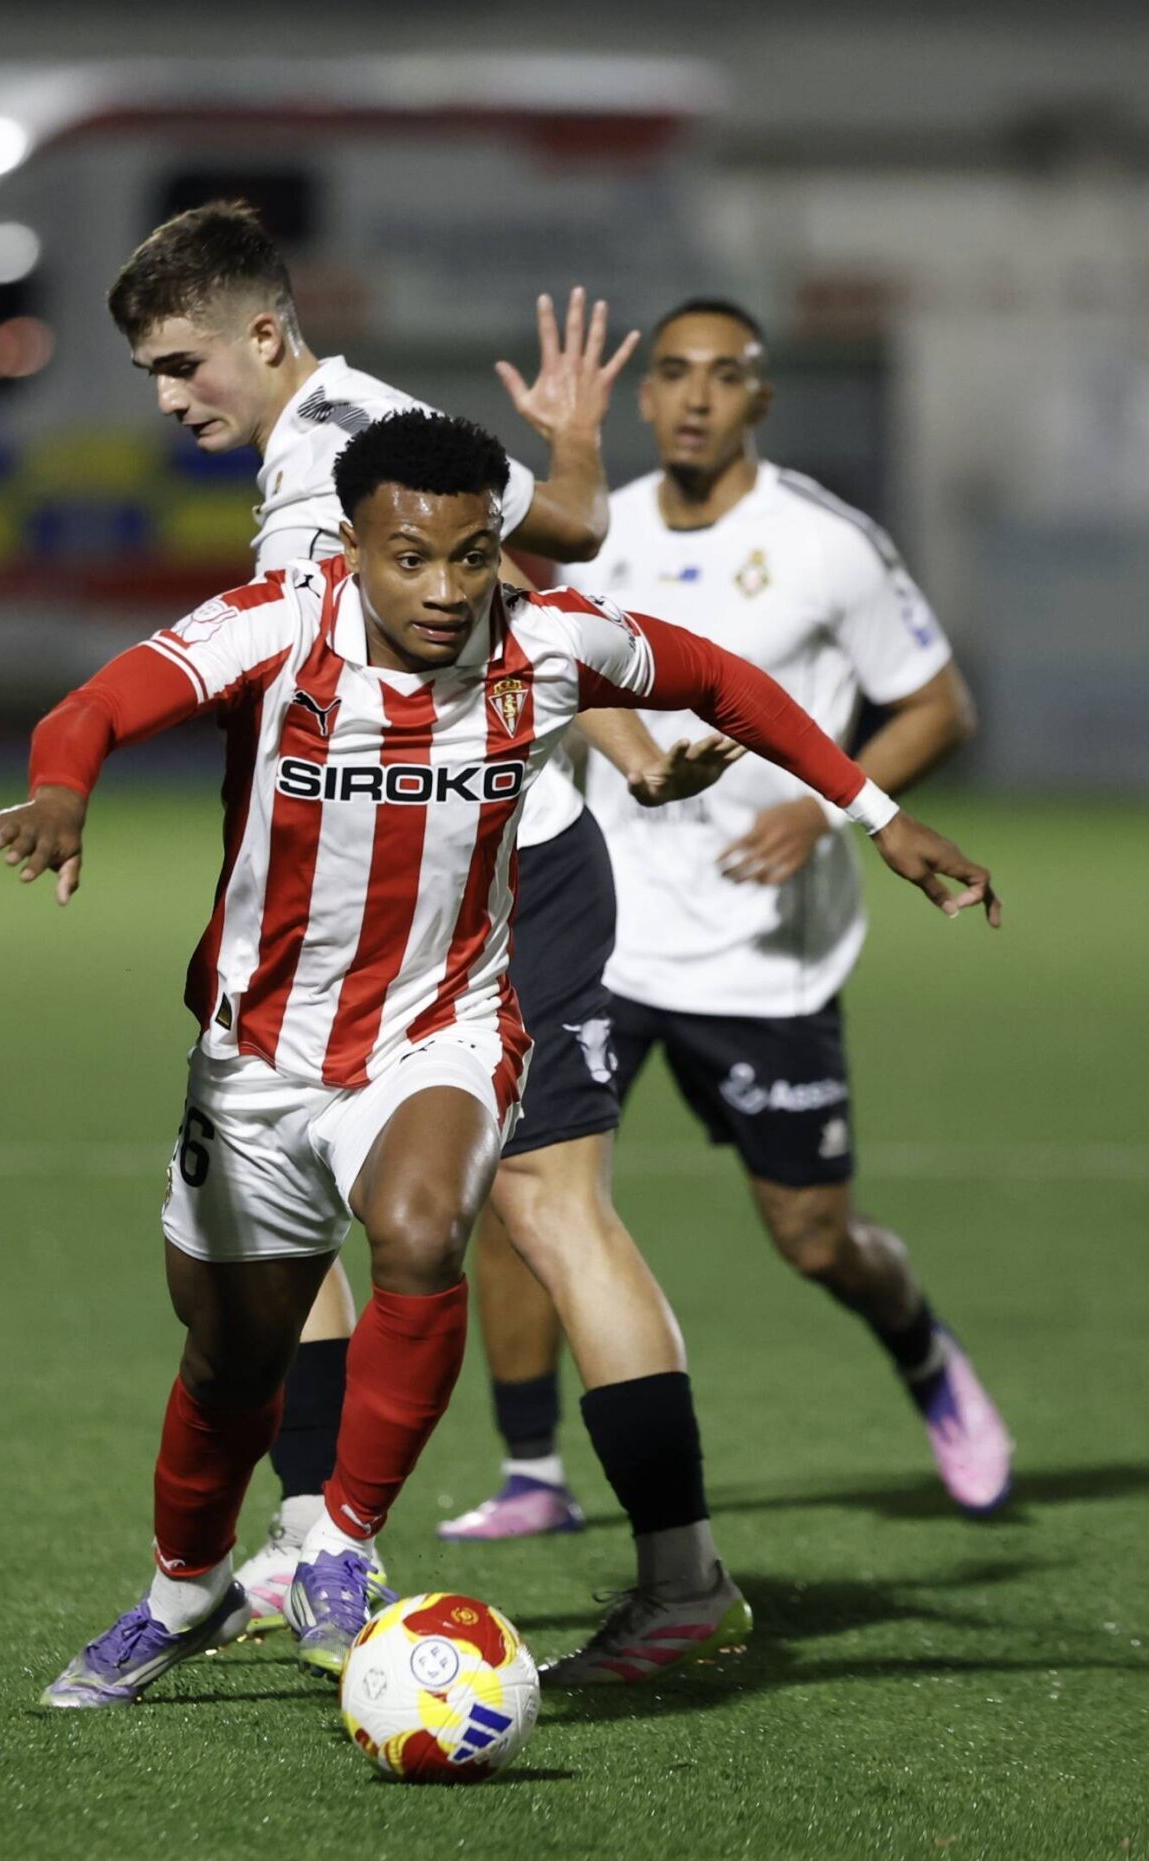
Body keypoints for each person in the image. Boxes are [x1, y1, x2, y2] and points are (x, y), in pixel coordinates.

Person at [0, 410, 999, 1706]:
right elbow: (100, 703)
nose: (447, 591)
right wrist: (64, 788)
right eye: (412, 560)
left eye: (473, 558)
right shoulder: (276, 628)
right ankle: (183, 1589)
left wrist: (879, 816)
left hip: (442, 1033)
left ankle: (341, 1541)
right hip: (260, 1059)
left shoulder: (550, 646)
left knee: (418, 1232)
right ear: (353, 549)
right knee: (229, 1359)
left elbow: (724, 683)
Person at [107, 202, 740, 1653]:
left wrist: (621, 748)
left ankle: (682, 1579)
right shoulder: (370, 417)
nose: (167, 398)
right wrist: (572, 441)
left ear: (263, 333)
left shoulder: (325, 470)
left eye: (180, 362)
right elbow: (558, 536)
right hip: (374, 906)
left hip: (493, 884)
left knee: (547, 1212)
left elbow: (477, 606)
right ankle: (313, 1534)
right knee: (299, 1210)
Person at [448, 299, 1015, 1531]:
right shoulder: (596, 532)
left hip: (765, 955)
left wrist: (824, 813)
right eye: (674, 375)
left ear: (762, 399)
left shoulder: (828, 543)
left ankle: (923, 1353)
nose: (697, 396)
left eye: (727, 376)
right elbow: (540, 636)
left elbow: (937, 705)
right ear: (642, 399)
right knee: (523, 1192)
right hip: (602, 930)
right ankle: (533, 1471)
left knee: (813, 1236)